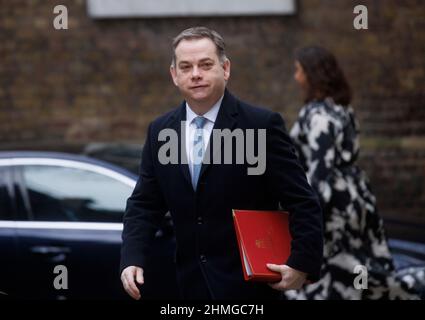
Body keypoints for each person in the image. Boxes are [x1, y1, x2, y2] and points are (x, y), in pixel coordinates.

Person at [120, 27, 323, 300]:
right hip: (188, 286)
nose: (195, 74)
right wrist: (132, 256)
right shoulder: (160, 131)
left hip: (250, 289)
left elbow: (302, 200)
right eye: (186, 67)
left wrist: (302, 262)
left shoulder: (261, 126)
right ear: (174, 75)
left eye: (205, 65)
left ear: (225, 69)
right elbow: (144, 204)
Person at [287, 45, 420, 299]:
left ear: (312, 74)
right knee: (355, 273)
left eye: (298, 70)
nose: (296, 77)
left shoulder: (318, 116)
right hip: (357, 198)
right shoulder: (342, 109)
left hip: (333, 206)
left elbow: (319, 173)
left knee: (329, 275)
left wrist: (305, 215)